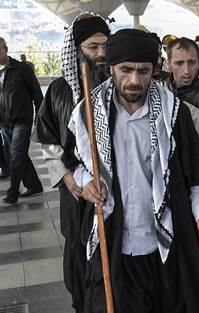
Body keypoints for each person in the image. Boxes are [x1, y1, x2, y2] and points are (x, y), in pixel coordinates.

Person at [66, 28, 199, 313]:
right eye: (126, 70)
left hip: (165, 245)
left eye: (143, 71)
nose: (134, 80)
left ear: (155, 69)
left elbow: (197, 174)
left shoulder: (174, 112)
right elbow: (73, 162)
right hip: (113, 242)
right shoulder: (88, 113)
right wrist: (86, 180)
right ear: (111, 67)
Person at [33, 13, 110, 312]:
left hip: (109, 186)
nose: (101, 54)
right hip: (75, 191)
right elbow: (50, 141)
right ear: (76, 49)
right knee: (78, 248)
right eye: (93, 47)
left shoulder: (116, 85)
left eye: (105, 46)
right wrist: (68, 178)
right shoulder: (58, 91)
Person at [0, 36, 44, 204]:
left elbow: (37, 94)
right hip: (4, 122)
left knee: (16, 156)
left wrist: (39, 119)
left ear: (6, 48)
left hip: (22, 120)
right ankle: (34, 185)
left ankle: (13, 191)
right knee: (17, 155)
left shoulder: (22, 69)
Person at [164, 37, 199, 117]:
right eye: (179, 63)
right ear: (168, 65)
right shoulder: (157, 89)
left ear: (198, 63)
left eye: (192, 62)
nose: (186, 70)